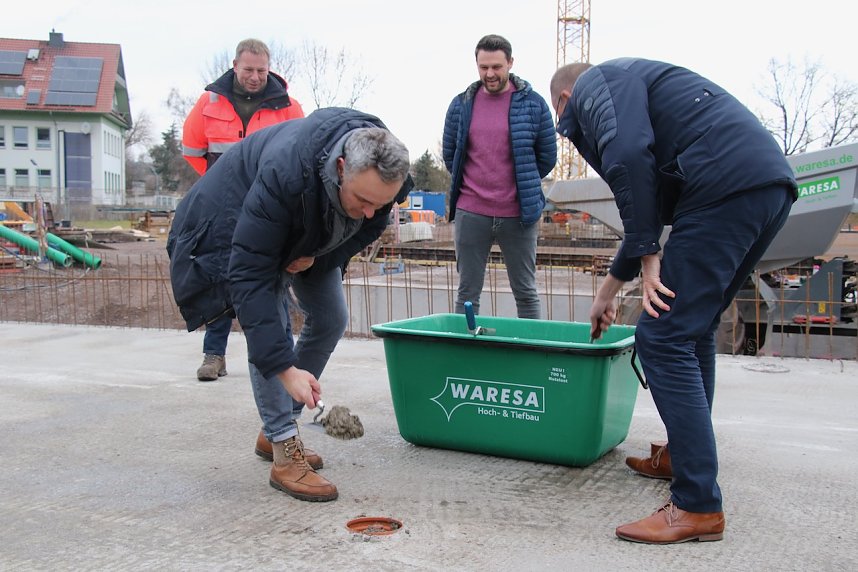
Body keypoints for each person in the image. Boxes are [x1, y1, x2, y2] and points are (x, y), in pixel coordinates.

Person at [550, 59, 796, 543]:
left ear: (564, 101)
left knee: (662, 335)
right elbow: (652, 204)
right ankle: (683, 459)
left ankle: (697, 504)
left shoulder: (599, 83)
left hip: (724, 188)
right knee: (692, 327)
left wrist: (646, 255)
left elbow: (626, 157)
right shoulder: (647, 95)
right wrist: (608, 291)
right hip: (764, 187)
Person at [168, 108, 412, 502]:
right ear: (341, 167)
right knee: (273, 326)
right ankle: (283, 447)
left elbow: (369, 224)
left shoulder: (383, 179)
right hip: (235, 222)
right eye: (364, 199)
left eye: (380, 203)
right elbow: (252, 284)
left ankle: (274, 430)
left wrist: (316, 257)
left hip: (308, 228)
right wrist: (285, 369)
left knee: (331, 318)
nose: (371, 210)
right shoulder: (286, 174)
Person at [182, 38, 305, 382]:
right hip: (223, 206)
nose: (254, 76)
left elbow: (303, 152)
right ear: (235, 66)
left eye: (261, 70)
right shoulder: (209, 103)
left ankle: (278, 359)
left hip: (271, 206)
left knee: (270, 277)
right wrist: (216, 184)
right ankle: (214, 354)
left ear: (270, 69)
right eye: (248, 70)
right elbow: (192, 149)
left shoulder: (288, 106)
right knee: (222, 275)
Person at [442, 34, 556, 319]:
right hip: (472, 212)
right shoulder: (461, 105)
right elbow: (450, 155)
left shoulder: (533, 105)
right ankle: (465, 354)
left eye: (496, 67)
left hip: (518, 214)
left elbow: (546, 157)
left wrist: (520, 180)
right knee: (467, 294)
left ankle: (531, 356)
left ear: (510, 63)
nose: (490, 74)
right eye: (483, 67)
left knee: (526, 292)